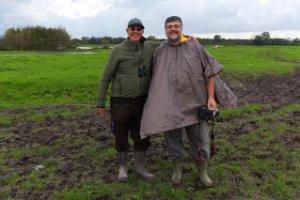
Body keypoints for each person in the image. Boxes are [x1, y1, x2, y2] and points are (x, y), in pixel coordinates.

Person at [140, 16, 237, 186]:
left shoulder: (195, 46)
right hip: (169, 105)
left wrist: (212, 98)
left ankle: (202, 172)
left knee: (200, 141)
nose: (173, 29)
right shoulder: (159, 51)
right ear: (165, 30)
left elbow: (211, 71)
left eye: (176, 26)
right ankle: (177, 170)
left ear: (182, 28)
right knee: (172, 141)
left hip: (196, 105)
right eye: (169, 26)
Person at [96, 18, 157, 182]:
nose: (135, 31)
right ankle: (123, 168)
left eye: (139, 29)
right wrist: (100, 102)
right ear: (127, 30)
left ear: (143, 31)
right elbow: (106, 76)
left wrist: (186, 38)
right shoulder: (117, 50)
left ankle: (140, 168)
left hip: (141, 103)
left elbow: (170, 43)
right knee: (121, 136)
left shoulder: (150, 46)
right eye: (132, 29)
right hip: (120, 103)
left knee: (143, 136)